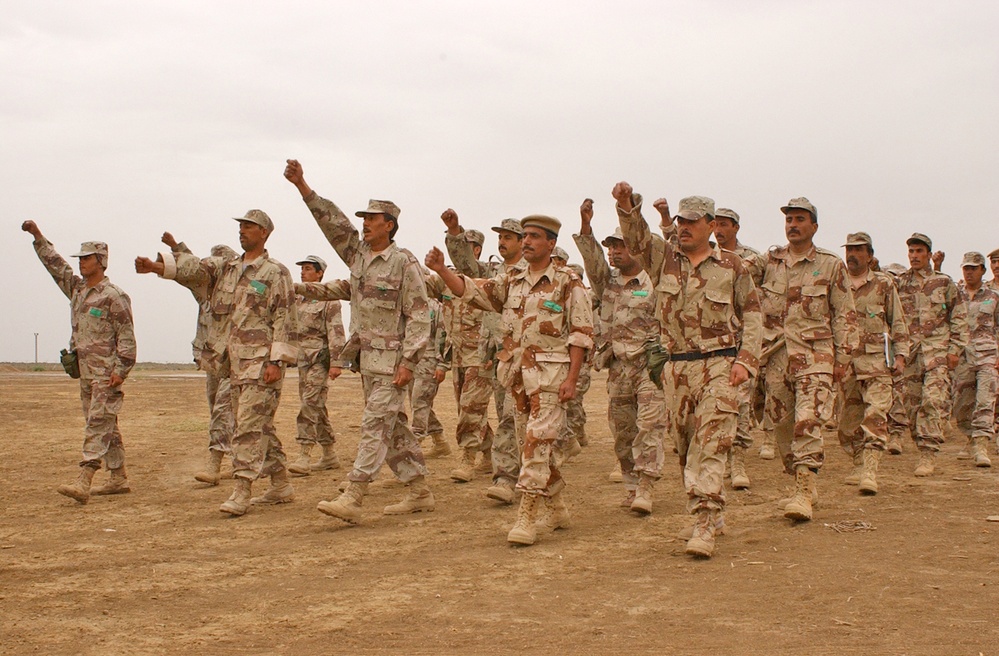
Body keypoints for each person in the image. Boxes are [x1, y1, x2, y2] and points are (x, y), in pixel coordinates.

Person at [426, 214, 594, 546]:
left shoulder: (567, 282)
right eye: (525, 235)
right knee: (531, 445)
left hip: (550, 377)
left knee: (534, 445)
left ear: (551, 243)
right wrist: (443, 270)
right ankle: (557, 506)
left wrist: (572, 380)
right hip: (516, 379)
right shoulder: (511, 279)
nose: (527, 240)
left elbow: (581, 335)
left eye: (534, 236)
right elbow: (474, 291)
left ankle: (527, 515)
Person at [284, 159, 434, 524]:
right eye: (363, 218)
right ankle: (419, 491)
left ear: (390, 225)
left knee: (373, 423)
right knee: (392, 426)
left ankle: (355, 492)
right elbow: (334, 227)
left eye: (372, 218)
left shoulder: (403, 262)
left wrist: (409, 362)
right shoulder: (359, 255)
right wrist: (304, 188)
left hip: (394, 362)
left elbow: (419, 313)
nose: (365, 223)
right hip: (369, 360)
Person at [615, 185, 761, 557]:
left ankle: (704, 521)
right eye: (680, 221)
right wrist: (626, 206)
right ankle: (711, 506)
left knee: (709, 445)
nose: (684, 228)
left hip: (720, 363)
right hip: (676, 367)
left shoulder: (733, 265)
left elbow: (754, 314)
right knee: (685, 447)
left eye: (693, 222)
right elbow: (635, 237)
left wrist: (746, 360)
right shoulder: (664, 259)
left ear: (711, 226)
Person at [136, 209, 299, 516]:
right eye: (240, 227)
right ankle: (280, 484)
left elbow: (285, 318)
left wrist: (278, 361)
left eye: (249, 227)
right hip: (233, 364)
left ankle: (242, 490)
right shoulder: (226, 268)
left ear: (264, 233)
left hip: (262, 364)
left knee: (248, 427)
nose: (242, 231)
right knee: (256, 424)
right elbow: (196, 269)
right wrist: (159, 267)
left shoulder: (275, 273)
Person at [758, 198, 858, 521]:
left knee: (807, 420)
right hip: (776, 357)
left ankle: (803, 491)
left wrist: (842, 358)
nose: (792, 225)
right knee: (782, 425)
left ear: (814, 226)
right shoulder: (769, 262)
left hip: (815, 356)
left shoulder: (830, 265)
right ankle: (802, 477)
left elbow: (844, 314)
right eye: (788, 220)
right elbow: (736, 273)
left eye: (800, 219)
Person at [22, 222, 137, 504]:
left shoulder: (114, 296)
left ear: (101, 261)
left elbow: (127, 337)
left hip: (106, 374)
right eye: (81, 259)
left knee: (97, 424)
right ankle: (118, 477)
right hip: (86, 373)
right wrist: (38, 237)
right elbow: (56, 266)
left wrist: (121, 371)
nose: (82, 263)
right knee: (102, 422)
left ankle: (84, 479)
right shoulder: (78, 290)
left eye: (87, 258)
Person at [573, 199, 665, 513]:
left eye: (621, 245)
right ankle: (630, 484)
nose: (614, 252)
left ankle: (646, 487)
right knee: (622, 430)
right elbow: (592, 260)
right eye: (611, 246)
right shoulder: (607, 284)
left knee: (649, 428)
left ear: (637, 248)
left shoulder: (655, 282)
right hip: (618, 367)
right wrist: (586, 224)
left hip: (648, 367)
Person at [444, 216, 525, 503]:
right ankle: (498, 471)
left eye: (508, 237)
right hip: (490, 354)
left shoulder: (535, 272)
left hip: (522, 356)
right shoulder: (493, 272)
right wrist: (455, 232)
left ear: (522, 241)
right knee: (479, 408)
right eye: (499, 237)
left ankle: (515, 473)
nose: (501, 242)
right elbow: (466, 271)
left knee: (513, 417)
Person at [159, 233, 237, 485]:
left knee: (222, 412)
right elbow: (191, 269)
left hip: (233, 362)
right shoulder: (204, 293)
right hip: (211, 362)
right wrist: (175, 247)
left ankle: (214, 464)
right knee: (219, 409)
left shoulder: (237, 292)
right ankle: (240, 461)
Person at [836, 233, 909, 494]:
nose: (852, 255)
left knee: (876, 414)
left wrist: (900, 356)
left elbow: (898, 322)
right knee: (847, 421)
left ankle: (870, 469)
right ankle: (857, 461)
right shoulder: (837, 283)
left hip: (877, 363)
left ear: (869, 255)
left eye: (858, 250)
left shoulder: (884, 284)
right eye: (849, 250)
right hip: (847, 364)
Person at [891, 233, 968, 476]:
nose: (914, 256)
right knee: (912, 406)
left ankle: (928, 453)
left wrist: (955, 350)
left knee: (932, 400)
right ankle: (920, 440)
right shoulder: (900, 284)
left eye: (919, 252)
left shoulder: (944, 283)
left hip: (937, 352)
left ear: (928, 254)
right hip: (910, 354)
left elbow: (959, 317)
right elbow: (891, 318)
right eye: (911, 252)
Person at [712, 207, 769, 479]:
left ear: (736, 228)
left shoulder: (753, 259)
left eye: (724, 225)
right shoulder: (707, 258)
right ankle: (718, 457)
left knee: (742, 403)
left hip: (741, 342)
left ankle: (739, 461)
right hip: (713, 344)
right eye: (716, 225)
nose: (719, 230)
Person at [287, 255, 347, 476]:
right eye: (302, 269)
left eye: (308, 269)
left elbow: (336, 332)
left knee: (309, 404)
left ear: (320, 273)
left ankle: (304, 454)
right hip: (303, 359)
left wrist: (337, 362)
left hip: (320, 360)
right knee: (316, 405)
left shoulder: (330, 300)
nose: (303, 272)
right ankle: (330, 454)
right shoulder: (297, 299)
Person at [952, 252, 998, 467]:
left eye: (973, 268)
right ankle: (970, 437)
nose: (969, 272)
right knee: (962, 405)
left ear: (982, 270)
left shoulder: (993, 296)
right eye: (966, 268)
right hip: (962, 357)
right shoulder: (955, 295)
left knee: (985, 401)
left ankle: (981, 445)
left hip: (988, 355)